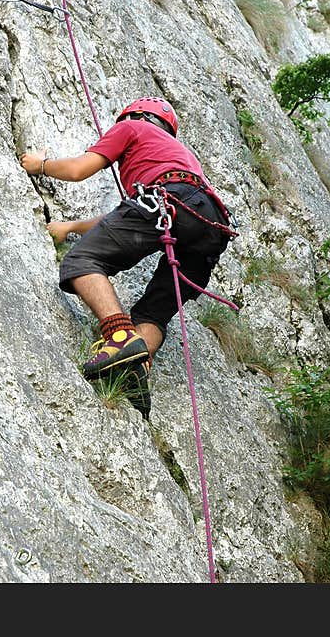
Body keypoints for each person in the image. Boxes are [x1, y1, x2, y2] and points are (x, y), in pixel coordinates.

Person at [20, 97, 234, 417]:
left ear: (135, 115)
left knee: (82, 262)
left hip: (169, 200)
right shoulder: (180, 155)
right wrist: (71, 227)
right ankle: (135, 368)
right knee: (153, 314)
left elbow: (79, 169)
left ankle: (120, 338)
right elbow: (129, 217)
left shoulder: (132, 127)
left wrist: (41, 164)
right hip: (212, 226)